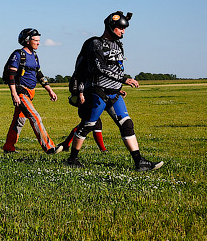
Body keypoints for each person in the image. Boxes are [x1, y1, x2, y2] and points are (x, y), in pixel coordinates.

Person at [64, 12, 163, 171]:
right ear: (111, 27)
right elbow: (99, 67)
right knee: (88, 125)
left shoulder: (119, 45)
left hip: (114, 93)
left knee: (127, 124)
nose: (123, 31)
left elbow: (115, 67)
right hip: (97, 92)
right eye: (120, 28)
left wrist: (119, 86)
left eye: (124, 28)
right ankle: (72, 158)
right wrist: (124, 79)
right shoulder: (95, 44)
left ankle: (139, 162)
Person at [3, 29, 59, 154]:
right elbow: (11, 75)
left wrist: (49, 90)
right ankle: (49, 147)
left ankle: (9, 147)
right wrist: (14, 94)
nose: (38, 43)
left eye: (39, 40)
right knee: (35, 116)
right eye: (36, 40)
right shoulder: (18, 55)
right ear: (27, 40)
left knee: (19, 121)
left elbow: (39, 74)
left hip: (31, 92)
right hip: (21, 92)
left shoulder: (34, 56)